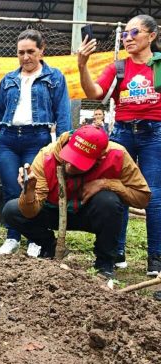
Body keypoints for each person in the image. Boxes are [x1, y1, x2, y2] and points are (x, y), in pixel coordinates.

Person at [2, 125, 150, 278]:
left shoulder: (117, 155)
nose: (71, 165)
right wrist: (29, 191)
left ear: (99, 159)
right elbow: (30, 212)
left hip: (89, 214)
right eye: (71, 156)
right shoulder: (47, 155)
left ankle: (105, 262)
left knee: (109, 201)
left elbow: (143, 198)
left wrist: (107, 183)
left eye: (79, 162)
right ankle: (48, 246)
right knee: (12, 210)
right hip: (52, 211)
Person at [77, 14, 161, 274]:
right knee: (118, 192)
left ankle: (155, 258)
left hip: (154, 133)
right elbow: (94, 93)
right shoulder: (118, 68)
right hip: (122, 133)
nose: (128, 38)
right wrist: (82, 65)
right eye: (125, 34)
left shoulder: (159, 65)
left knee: (154, 195)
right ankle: (116, 251)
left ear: (152, 35)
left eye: (135, 33)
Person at [0, 29, 71, 257]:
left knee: (32, 188)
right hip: (8, 140)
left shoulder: (54, 78)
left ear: (42, 51)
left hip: (38, 139)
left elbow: (62, 112)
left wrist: (64, 143)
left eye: (31, 52)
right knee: (11, 189)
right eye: (21, 52)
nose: (25, 57)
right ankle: (12, 237)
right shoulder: (8, 80)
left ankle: (35, 238)